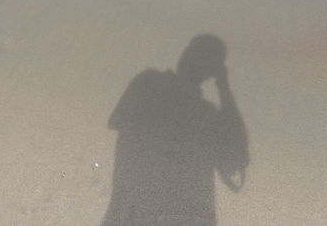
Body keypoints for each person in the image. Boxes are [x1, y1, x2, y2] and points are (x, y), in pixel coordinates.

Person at [102, 34, 250, 226]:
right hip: (144, 211)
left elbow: (237, 159)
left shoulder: (206, 115)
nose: (189, 56)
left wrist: (224, 88)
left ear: (211, 69)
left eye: (200, 55)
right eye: (191, 50)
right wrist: (223, 87)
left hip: (154, 212)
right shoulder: (151, 83)